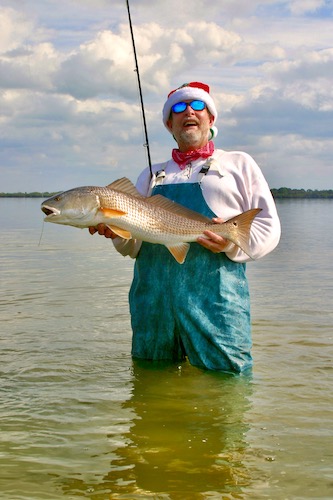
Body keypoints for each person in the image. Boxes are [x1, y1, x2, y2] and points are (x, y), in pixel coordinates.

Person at [89, 81, 281, 373]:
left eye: (198, 105)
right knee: (149, 385)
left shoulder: (238, 164)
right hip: (153, 304)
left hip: (215, 304)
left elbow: (268, 226)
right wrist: (115, 231)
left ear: (211, 118)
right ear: (169, 123)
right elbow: (132, 245)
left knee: (227, 385)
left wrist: (230, 243)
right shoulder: (151, 175)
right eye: (178, 108)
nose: (188, 111)